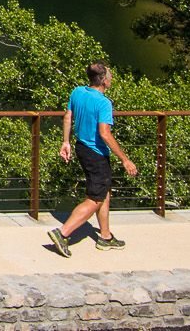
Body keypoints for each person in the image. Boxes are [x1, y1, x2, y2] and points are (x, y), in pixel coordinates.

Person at [49, 61, 138, 257]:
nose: (112, 79)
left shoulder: (78, 92)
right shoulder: (104, 103)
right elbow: (105, 134)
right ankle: (63, 233)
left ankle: (105, 237)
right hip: (96, 154)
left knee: (103, 192)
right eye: (110, 76)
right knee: (95, 198)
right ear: (104, 80)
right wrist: (125, 159)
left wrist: (65, 142)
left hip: (81, 147)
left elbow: (67, 117)